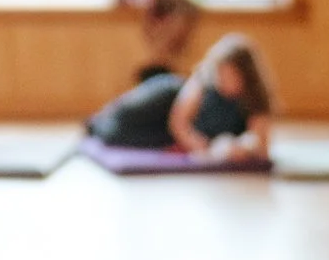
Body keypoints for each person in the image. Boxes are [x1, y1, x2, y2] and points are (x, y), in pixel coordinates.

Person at [88, 32, 274, 162]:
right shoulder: (203, 82)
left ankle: (100, 125)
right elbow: (179, 122)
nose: (224, 81)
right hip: (167, 102)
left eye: (231, 76)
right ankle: (103, 116)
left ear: (246, 75)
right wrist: (205, 149)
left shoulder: (255, 100)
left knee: (118, 137)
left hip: (165, 136)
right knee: (125, 116)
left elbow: (260, 145)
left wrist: (241, 150)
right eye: (221, 74)